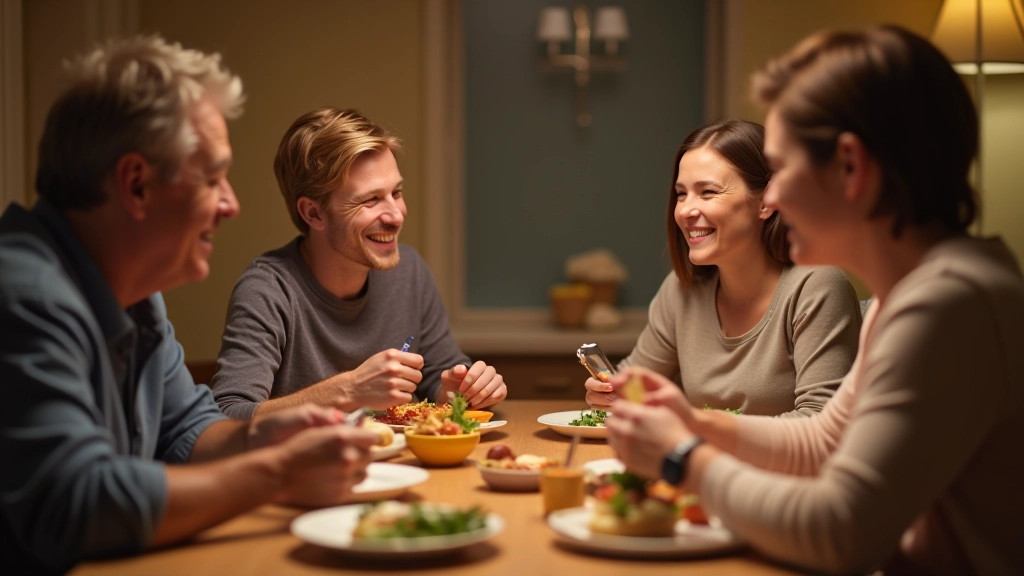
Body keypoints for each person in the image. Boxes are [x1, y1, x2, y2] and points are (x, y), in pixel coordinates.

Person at [605, 25, 1024, 575]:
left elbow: (841, 534)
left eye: (783, 168)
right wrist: (697, 424)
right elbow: (822, 440)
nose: (771, 197)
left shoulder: (949, 306)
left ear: (850, 167)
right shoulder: (905, 296)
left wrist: (683, 458)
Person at [0, 37, 377, 575]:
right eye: (211, 177)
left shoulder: (133, 294)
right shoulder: (26, 294)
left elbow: (185, 430)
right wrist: (276, 473)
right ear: (136, 185)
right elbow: (74, 503)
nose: (231, 203)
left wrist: (260, 435)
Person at [211, 108, 507, 419]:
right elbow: (227, 416)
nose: (396, 215)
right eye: (371, 200)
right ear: (313, 214)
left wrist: (463, 390)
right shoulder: (267, 290)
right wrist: (348, 390)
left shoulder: (409, 271)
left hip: (402, 466)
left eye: (397, 192)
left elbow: (440, 378)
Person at [585, 120, 861, 417]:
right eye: (681, 194)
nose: (686, 210)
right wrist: (614, 393)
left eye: (707, 192)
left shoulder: (818, 286)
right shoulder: (681, 290)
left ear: (767, 201)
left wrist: (696, 429)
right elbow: (637, 386)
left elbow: (819, 423)